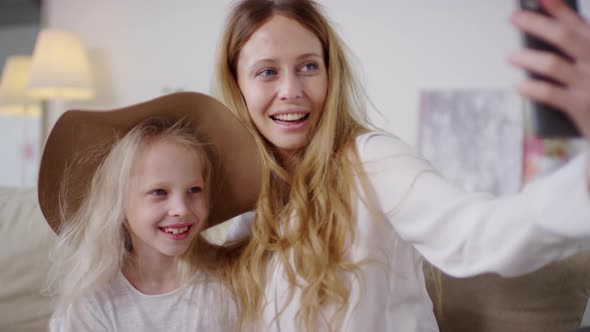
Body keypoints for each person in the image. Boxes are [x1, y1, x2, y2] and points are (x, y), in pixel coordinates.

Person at [213, 0, 590, 331]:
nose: (291, 90)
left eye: (309, 66)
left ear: (331, 72)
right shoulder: (245, 202)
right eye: (267, 72)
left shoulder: (372, 160)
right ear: (237, 84)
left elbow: (475, 235)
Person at [38, 92, 261, 331]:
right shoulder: (92, 303)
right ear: (119, 203)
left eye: (194, 190)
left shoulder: (225, 286)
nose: (181, 209)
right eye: (159, 192)